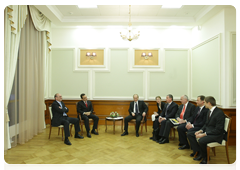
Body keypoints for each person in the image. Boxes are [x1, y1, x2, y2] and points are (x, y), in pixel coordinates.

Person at [187, 96, 225, 165]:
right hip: (209, 131)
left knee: (202, 140)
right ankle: (199, 152)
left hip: (216, 135)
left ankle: (206, 158)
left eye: (205, 103)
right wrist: (200, 131)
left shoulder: (219, 113)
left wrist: (204, 134)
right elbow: (206, 124)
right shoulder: (209, 111)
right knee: (190, 134)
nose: (204, 104)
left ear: (209, 103)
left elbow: (218, 130)